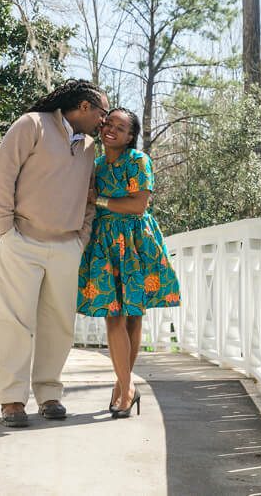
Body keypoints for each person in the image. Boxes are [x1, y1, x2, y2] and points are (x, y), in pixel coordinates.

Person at [0, 79, 109, 428]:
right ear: (84, 107)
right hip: (22, 240)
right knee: (15, 322)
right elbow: (1, 175)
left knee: (59, 325)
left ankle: (49, 393)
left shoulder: (88, 147)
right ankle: (12, 400)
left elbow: (89, 195)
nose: (104, 120)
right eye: (102, 111)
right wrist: (5, 228)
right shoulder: (32, 124)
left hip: (67, 246)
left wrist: (81, 236)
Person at [76, 108, 181, 419]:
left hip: (136, 241)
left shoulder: (138, 161)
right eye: (109, 124)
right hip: (105, 241)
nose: (111, 130)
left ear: (130, 136)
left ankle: (123, 388)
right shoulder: (94, 165)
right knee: (114, 316)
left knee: (133, 315)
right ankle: (127, 386)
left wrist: (100, 201)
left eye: (120, 128)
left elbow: (138, 205)